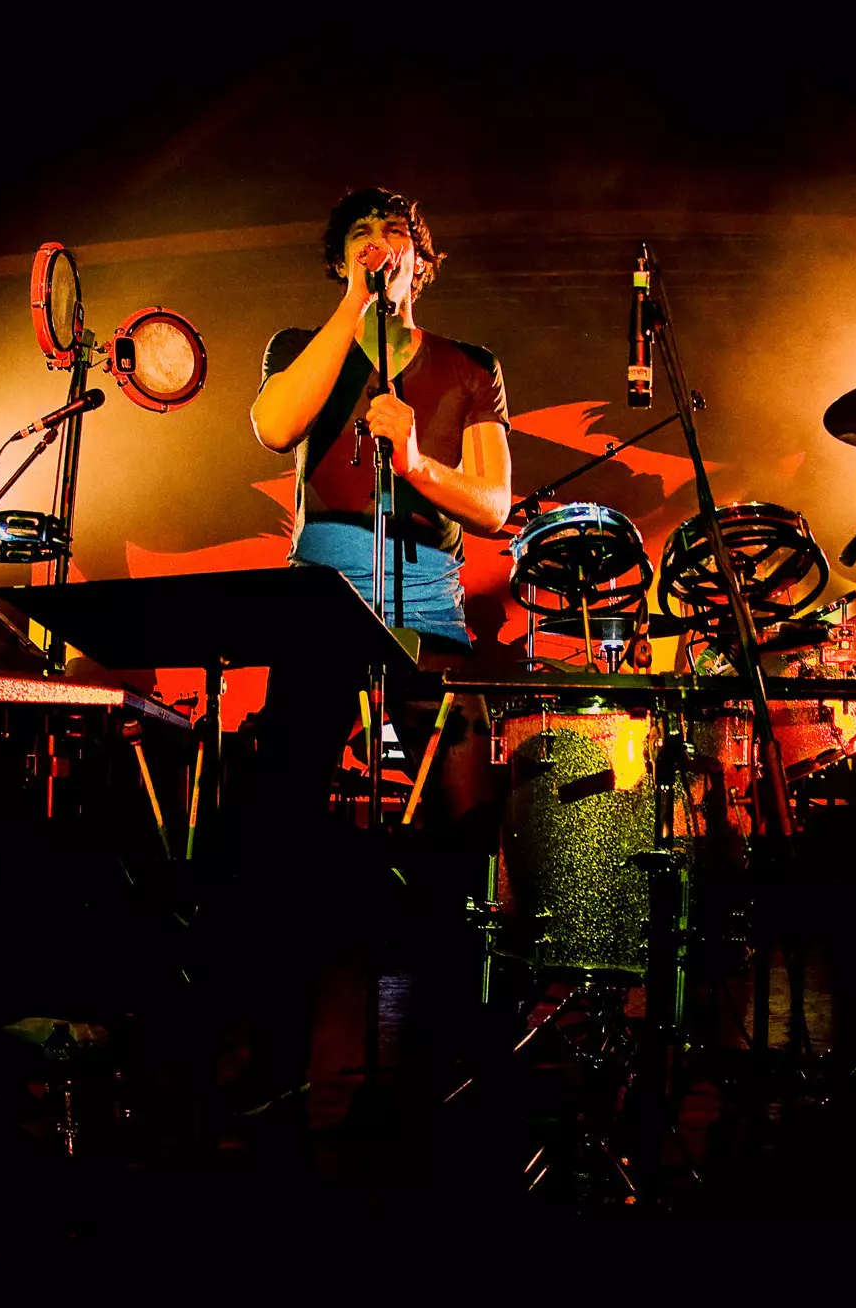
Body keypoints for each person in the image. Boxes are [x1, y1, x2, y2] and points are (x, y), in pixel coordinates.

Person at [236, 187, 513, 1114]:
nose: (374, 243)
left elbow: (494, 505)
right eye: (355, 233)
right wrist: (352, 309)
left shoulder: (472, 367)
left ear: (421, 259)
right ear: (337, 261)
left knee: (465, 816)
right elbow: (276, 425)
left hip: (425, 597)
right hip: (318, 597)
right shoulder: (301, 344)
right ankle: (274, 1051)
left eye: (390, 232)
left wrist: (421, 465)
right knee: (282, 816)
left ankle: (454, 1050)